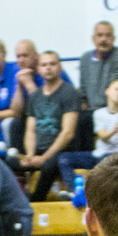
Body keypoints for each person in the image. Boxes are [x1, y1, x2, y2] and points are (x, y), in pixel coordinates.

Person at [15, 52, 81, 201]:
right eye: (44, 65)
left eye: (52, 64)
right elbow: (30, 130)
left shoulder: (69, 92)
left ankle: (35, 199)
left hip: (63, 150)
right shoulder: (35, 96)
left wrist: (44, 158)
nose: (48, 68)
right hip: (39, 150)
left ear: (60, 67)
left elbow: (67, 133)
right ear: (38, 69)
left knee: (51, 164)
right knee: (10, 162)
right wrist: (30, 154)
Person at [56, 79, 118, 192]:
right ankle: (74, 191)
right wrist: (113, 131)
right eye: (116, 89)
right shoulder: (98, 113)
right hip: (98, 155)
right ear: (107, 91)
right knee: (64, 158)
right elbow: (102, 136)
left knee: (105, 161)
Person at [81, 21, 118, 114]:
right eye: (100, 35)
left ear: (113, 38)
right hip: (90, 112)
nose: (103, 39)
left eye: (108, 35)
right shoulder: (85, 59)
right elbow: (83, 91)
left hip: (115, 111)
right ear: (93, 38)